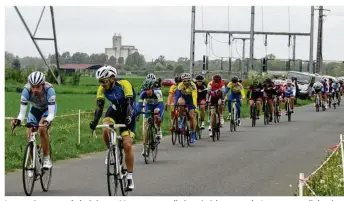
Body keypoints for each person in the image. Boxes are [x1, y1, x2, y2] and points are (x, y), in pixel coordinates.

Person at [89, 66, 136, 191]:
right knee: (105, 129)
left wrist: (129, 117)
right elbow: (99, 107)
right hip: (114, 111)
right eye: (100, 81)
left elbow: (130, 104)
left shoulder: (124, 84)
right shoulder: (101, 89)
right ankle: (111, 151)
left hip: (128, 112)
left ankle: (130, 177)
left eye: (104, 81)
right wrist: (94, 122)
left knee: (127, 145)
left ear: (112, 79)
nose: (101, 84)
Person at [11, 71, 56, 170]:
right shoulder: (26, 91)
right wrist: (18, 120)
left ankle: (46, 158)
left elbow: (51, 113)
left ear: (43, 84)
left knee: (42, 130)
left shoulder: (50, 90)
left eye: (37, 87)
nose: (35, 89)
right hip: (34, 109)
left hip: (47, 110)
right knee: (29, 134)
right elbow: (22, 114)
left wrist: (47, 120)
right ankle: (33, 162)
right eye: (33, 86)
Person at [136, 80, 164, 157]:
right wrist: (137, 113)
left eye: (148, 89)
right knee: (145, 126)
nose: (147, 91)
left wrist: (159, 114)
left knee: (156, 114)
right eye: (146, 90)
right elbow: (139, 105)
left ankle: (158, 130)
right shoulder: (143, 94)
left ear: (152, 88)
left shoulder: (157, 93)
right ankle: (145, 147)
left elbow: (161, 105)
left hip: (157, 106)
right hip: (149, 106)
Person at [174, 73, 198, 143]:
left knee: (191, 116)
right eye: (184, 81)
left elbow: (194, 97)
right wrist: (175, 103)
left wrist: (195, 106)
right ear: (182, 81)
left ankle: (193, 133)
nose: (186, 82)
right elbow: (177, 95)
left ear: (190, 80)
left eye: (188, 80)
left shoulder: (193, 86)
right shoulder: (180, 85)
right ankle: (181, 118)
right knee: (180, 103)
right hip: (183, 98)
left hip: (191, 100)